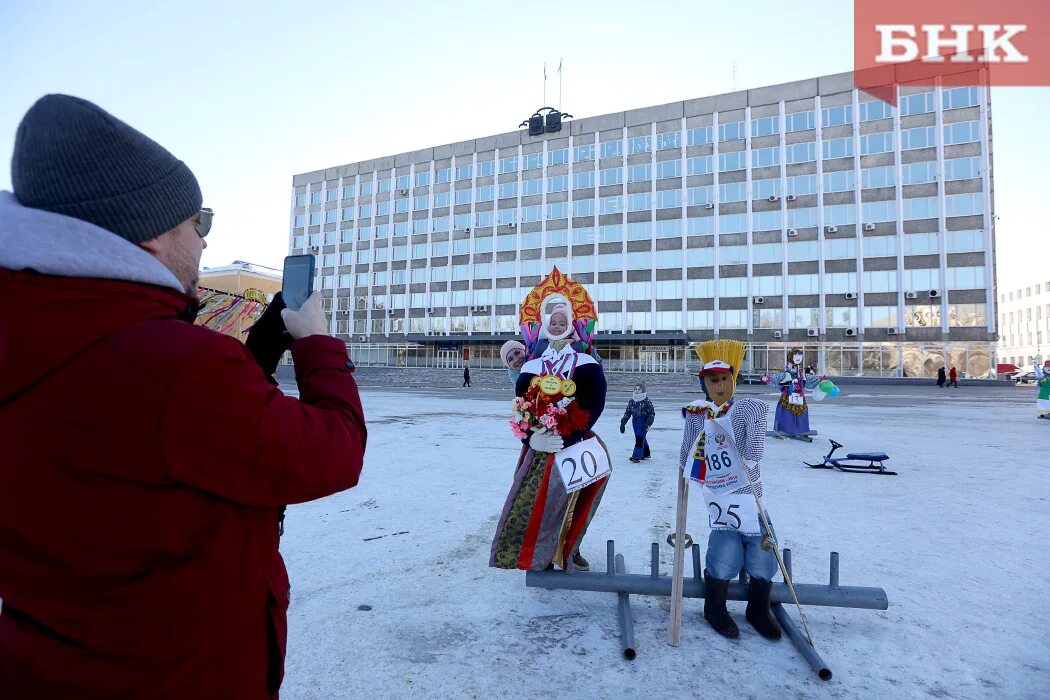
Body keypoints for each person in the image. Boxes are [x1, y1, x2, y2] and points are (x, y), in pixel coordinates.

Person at [0, 95, 368, 699]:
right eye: (198, 224)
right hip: (182, 673)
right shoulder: (179, 369)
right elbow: (332, 453)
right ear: (148, 237)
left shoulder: (35, 335)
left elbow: (153, 442)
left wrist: (256, 354)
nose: (202, 244)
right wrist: (318, 346)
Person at [490, 298, 608, 572]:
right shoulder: (532, 365)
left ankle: (570, 548)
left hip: (575, 443)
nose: (556, 325)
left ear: (570, 326)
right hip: (542, 446)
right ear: (545, 325)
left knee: (579, 498)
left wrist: (572, 434)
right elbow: (521, 406)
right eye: (552, 322)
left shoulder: (585, 361)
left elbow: (596, 401)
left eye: (562, 322)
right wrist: (531, 438)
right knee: (542, 504)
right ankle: (537, 555)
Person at [680, 340, 780, 641]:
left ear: (732, 380)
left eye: (724, 378)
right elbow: (686, 455)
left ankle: (758, 609)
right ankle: (715, 608)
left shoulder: (744, 409)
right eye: (713, 380)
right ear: (705, 385)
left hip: (750, 497)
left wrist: (753, 416)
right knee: (724, 554)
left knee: (763, 554)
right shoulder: (699, 414)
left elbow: (754, 452)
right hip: (721, 499)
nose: (719, 385)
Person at [763, 349, 822, 438]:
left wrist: (818, 379)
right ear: (791, 358)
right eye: (796, 356)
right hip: (787, 396)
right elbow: (779, 377)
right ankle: (783, 430)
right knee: (786, 412)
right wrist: (769, 378)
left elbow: (809, 379)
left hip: (799, 396)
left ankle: (801, 430)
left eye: (800, 356)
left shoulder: (801, 372)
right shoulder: (787, 372)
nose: (798, 358)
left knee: (801, 412)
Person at [620, 382, 655, 463]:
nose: (637, 391)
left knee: (639, 438)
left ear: (643, 391)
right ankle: (646, 453)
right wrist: (623, 423)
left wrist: (648, 423)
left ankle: (636, 456)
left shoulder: (646, 401)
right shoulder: (632, 401)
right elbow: (627, 413)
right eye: (636, 389)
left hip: (644, 422)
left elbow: (651, 414)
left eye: (639, 389)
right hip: (635, 421)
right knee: (641, 437)